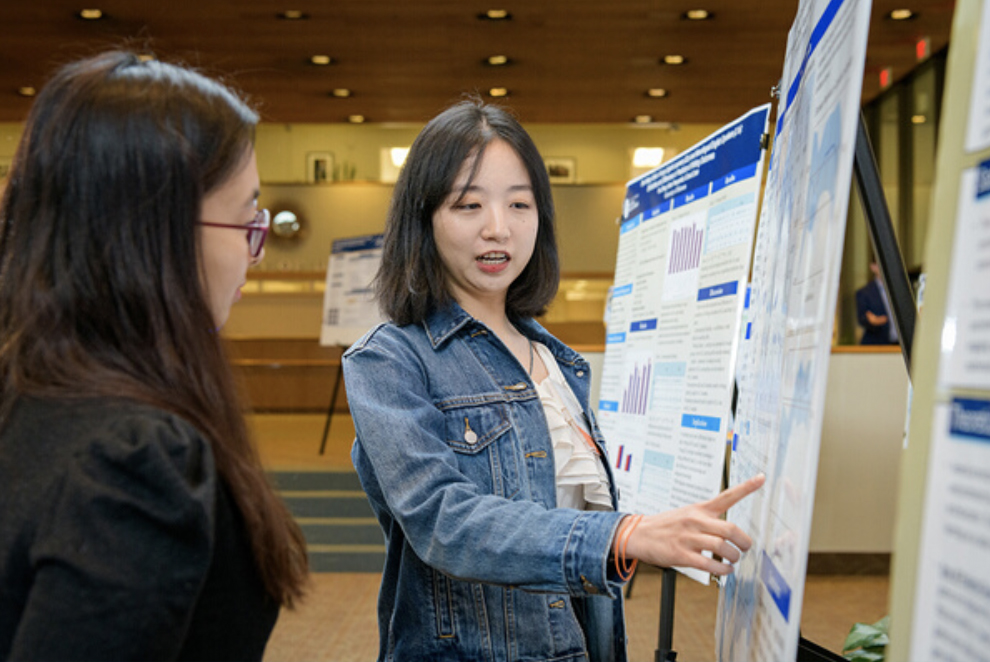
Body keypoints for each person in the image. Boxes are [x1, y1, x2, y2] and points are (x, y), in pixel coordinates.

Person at [342, 99, 765, 662]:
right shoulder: (388, 360)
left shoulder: (558, 360)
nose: (499, 228)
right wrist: (620, 536)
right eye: (468, 205)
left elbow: (576, 519)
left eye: (520, 203)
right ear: (424, 218)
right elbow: (445, 521)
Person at [0, 51, 309, 660]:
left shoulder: (26, 398)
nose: (255, 254)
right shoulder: (135, 459)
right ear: (159, 234)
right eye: (247, 221)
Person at [856, 260, 898, 345]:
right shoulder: (864, 293)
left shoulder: (900, 290)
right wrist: (872, 321)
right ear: (873, 267)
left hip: (899, 345)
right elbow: (862, 318)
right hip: (877, 345)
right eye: (881, 265)